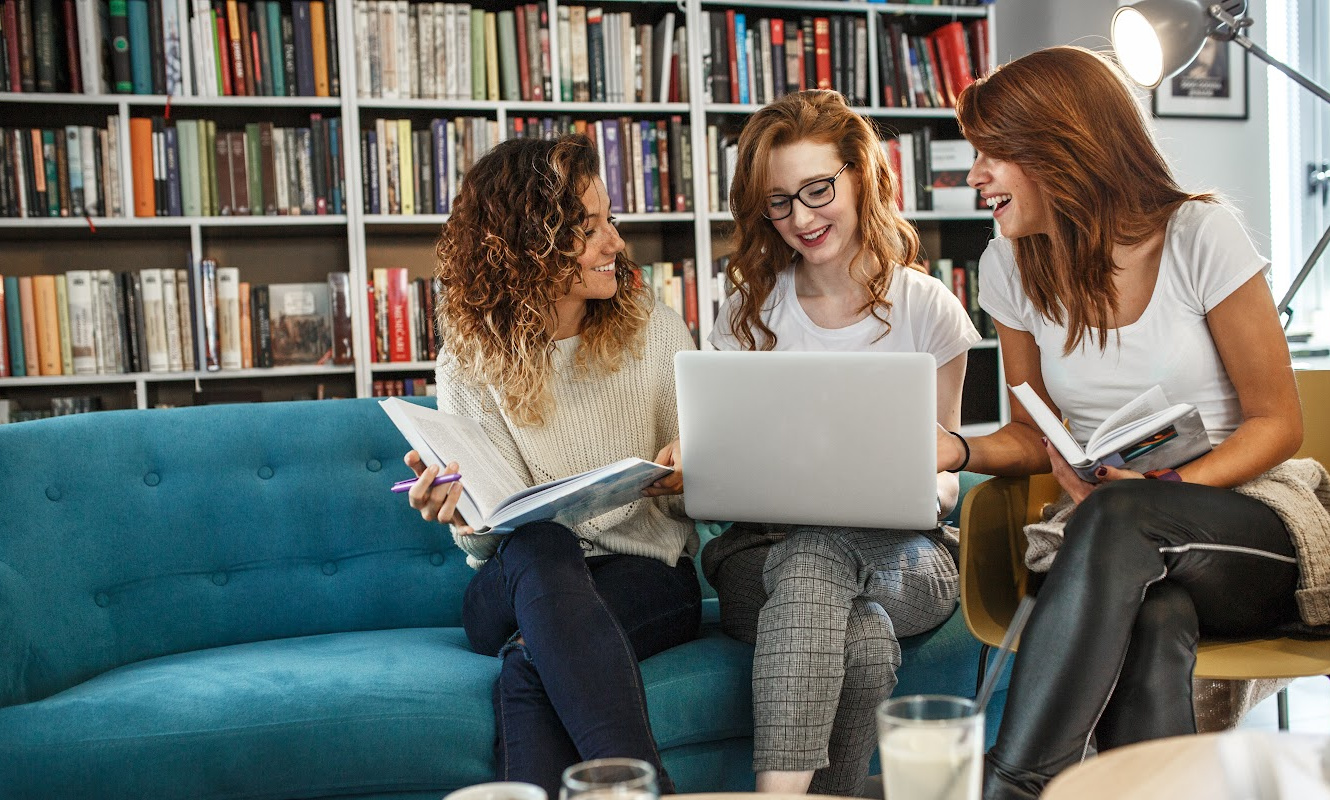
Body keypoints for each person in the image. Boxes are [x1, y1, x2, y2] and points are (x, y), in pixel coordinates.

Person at [950, 46, 1330, 799]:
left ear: (1059, 145)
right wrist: (955, 447)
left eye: (995, 154)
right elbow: (1038, 431)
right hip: (1113, 536)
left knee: (1127, 517)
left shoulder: (1199, 234)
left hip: (1250, 527)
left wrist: (1159, 486)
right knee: (1155, 619)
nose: (975, 175)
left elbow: (1277, 422)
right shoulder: (1009, 266)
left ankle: (1014, 784)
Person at [401, 135, 702, 798]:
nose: (614, 243)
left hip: (645, 573)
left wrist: (691, 473)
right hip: (511, 583)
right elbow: (487, 537)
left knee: (530, 666)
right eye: (587, 229)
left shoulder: (652, 328)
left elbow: (692, 498)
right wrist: (459, 507)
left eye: (609, 221)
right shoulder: (470, 359)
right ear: (526, 243)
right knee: (541, 541)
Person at [702, 89, 981, 797]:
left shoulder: (928, 308)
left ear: (861, 175)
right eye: (779, 202)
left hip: (909, 556)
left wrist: (919, 478)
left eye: (818, 189)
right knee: (854, 631)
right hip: (759, 552)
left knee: (820, 554)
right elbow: (722, 467)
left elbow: (948, 469)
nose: (801, 218)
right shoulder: (746, 314)